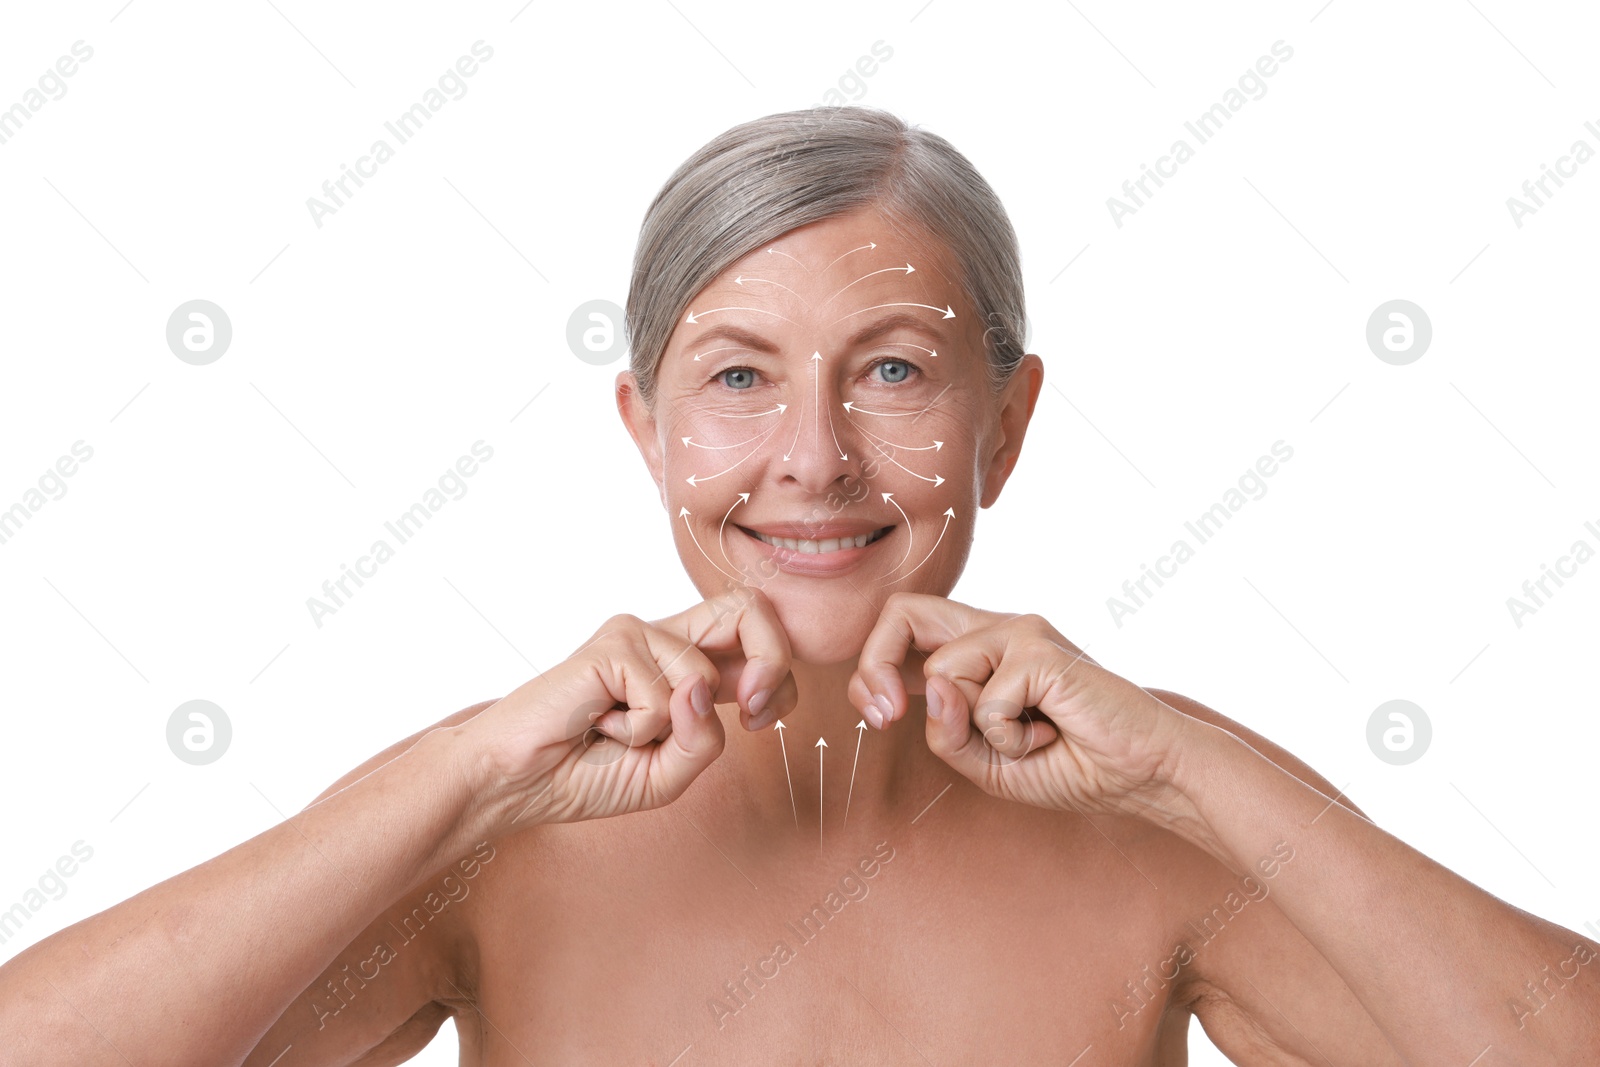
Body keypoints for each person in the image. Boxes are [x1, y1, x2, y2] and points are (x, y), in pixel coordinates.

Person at [2, 106, 1594, 1066]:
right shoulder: (493, 834)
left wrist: (1195, 770)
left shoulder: (1161, 832)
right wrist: (470, 770)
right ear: (644, 430)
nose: (814, 461)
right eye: (740, 379)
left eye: (893, 370)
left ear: (1008, 422)